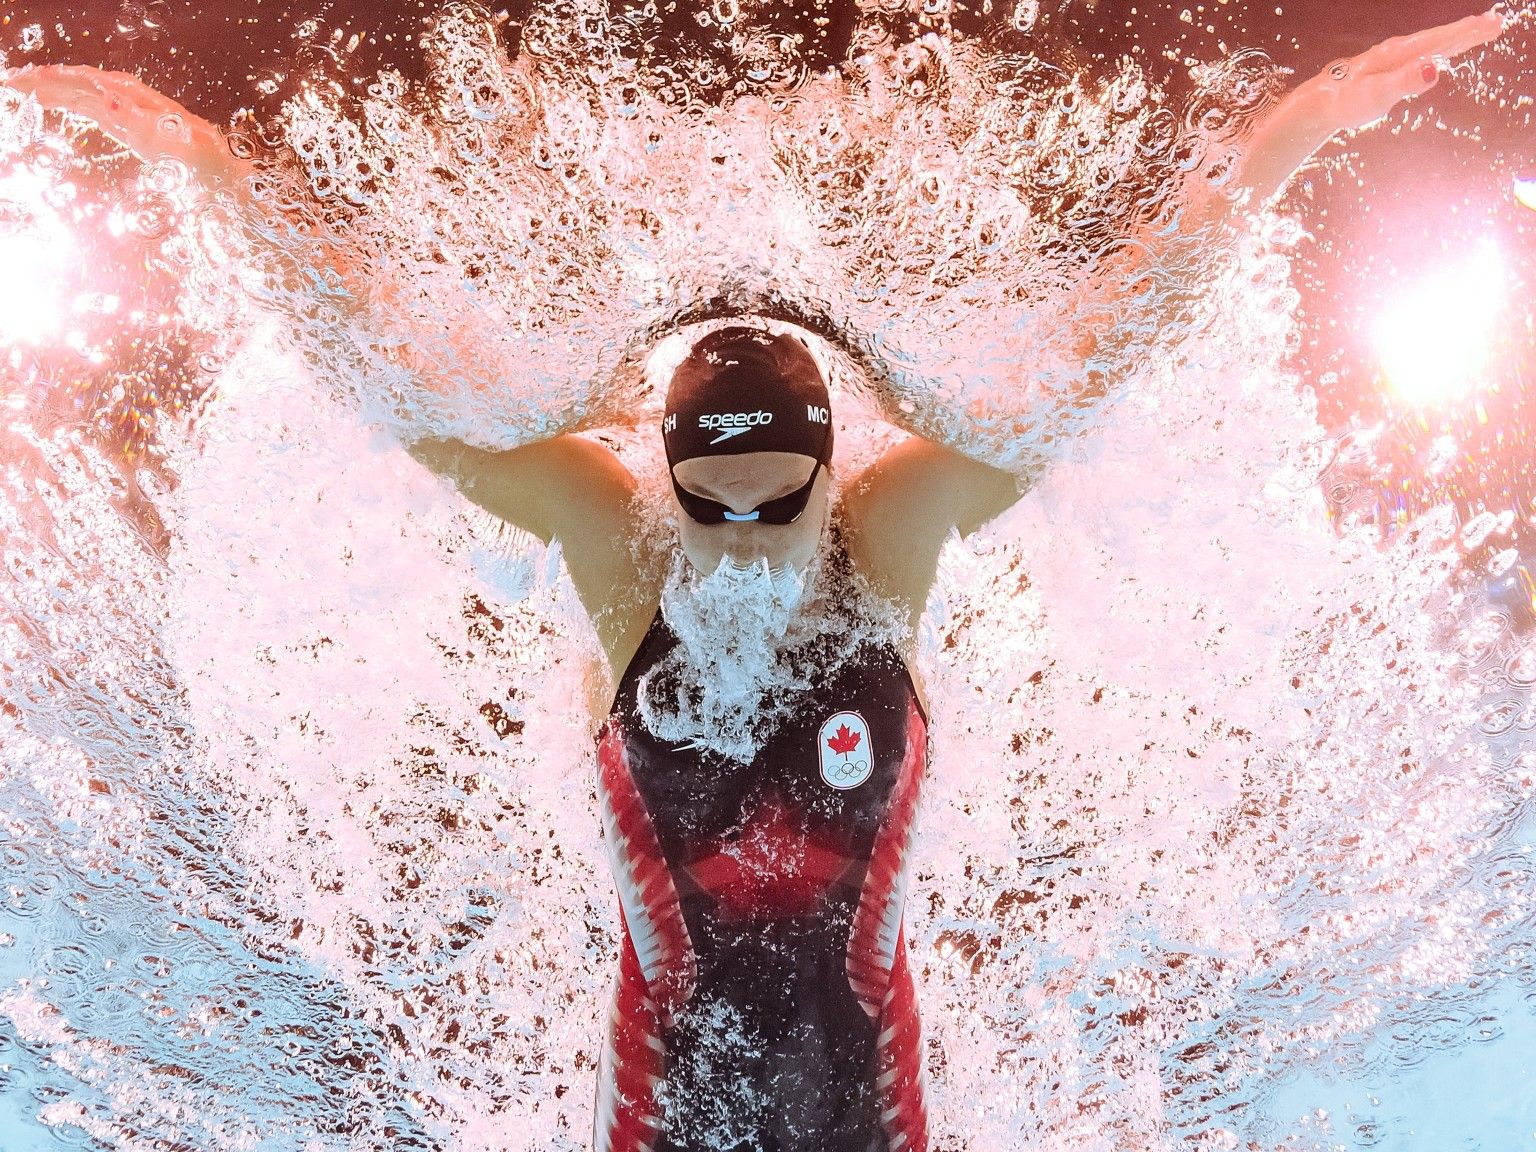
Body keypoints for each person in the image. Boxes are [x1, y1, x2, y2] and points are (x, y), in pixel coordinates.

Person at [4, 9, 1507, 1149]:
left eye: (768, 494)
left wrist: (1289, 135)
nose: (735, 535)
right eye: (705, 499)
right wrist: (210, 172)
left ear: (828, 464)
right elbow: (410, 415)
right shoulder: (619, 554)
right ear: (665, 479)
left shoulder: (889, 547)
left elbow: (1091, 385)